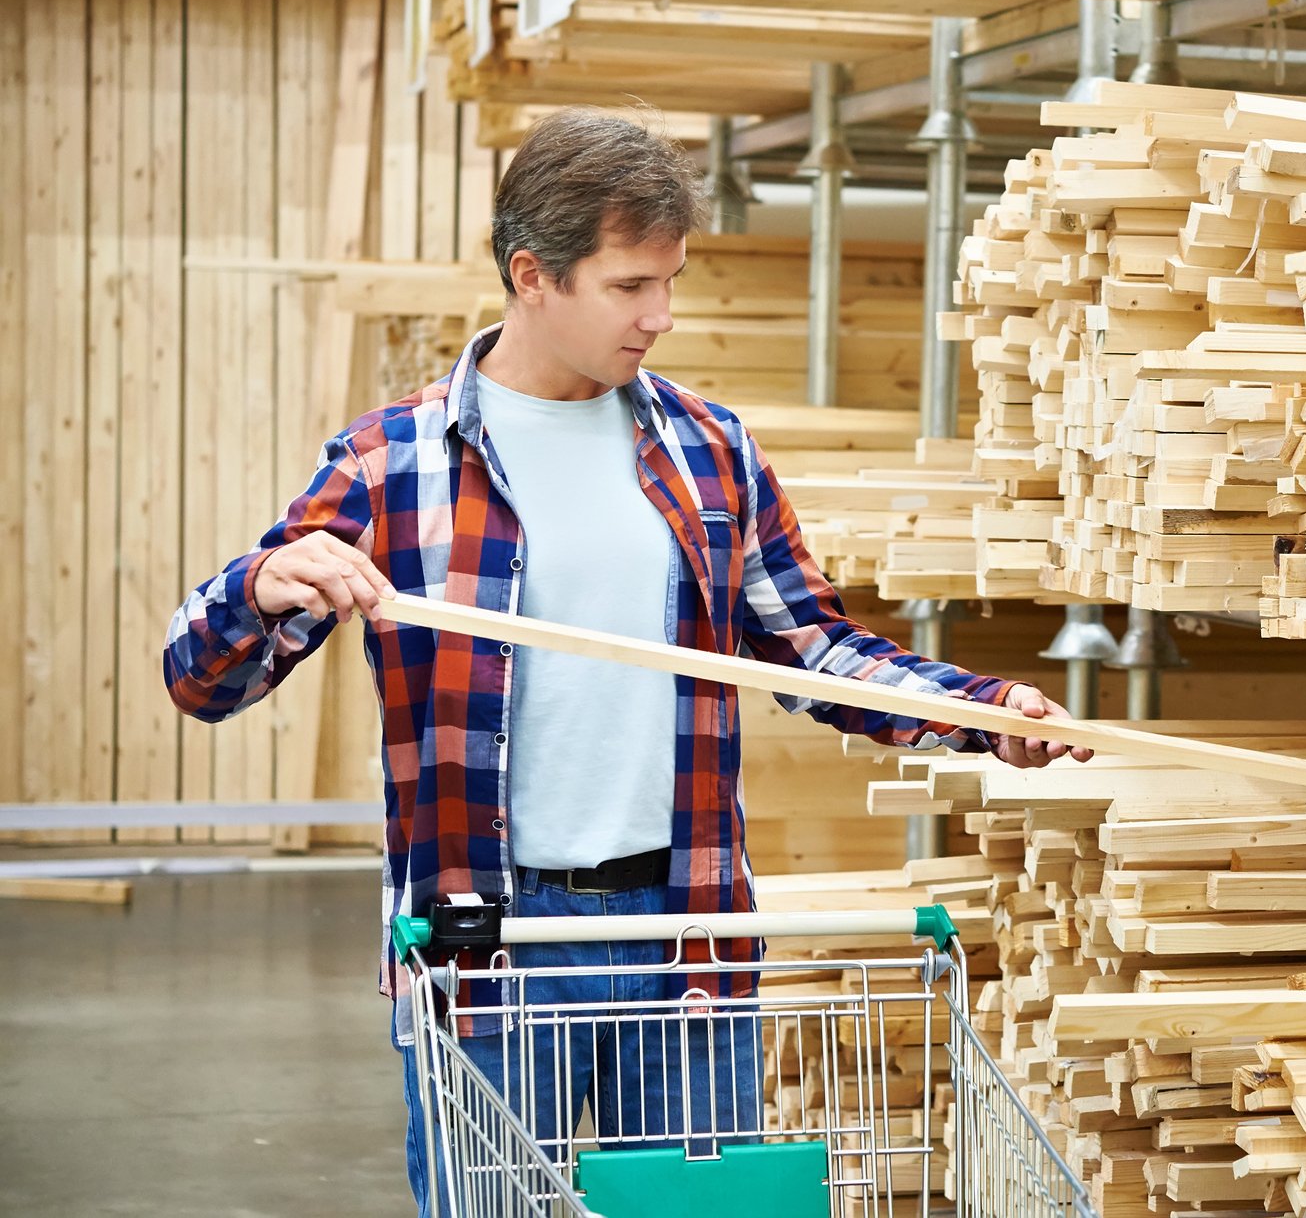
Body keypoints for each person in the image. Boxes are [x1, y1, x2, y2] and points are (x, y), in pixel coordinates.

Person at [163, 108, 1085, 1214]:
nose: (661, 314)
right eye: (630, 284)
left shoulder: (709, 451)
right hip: (490, 950)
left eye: (672, 279)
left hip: (683, 933)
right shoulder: (390, 461)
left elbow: (819, 649)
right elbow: (200, 678)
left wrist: (984, 711)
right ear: (531, 274)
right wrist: (261, 589)